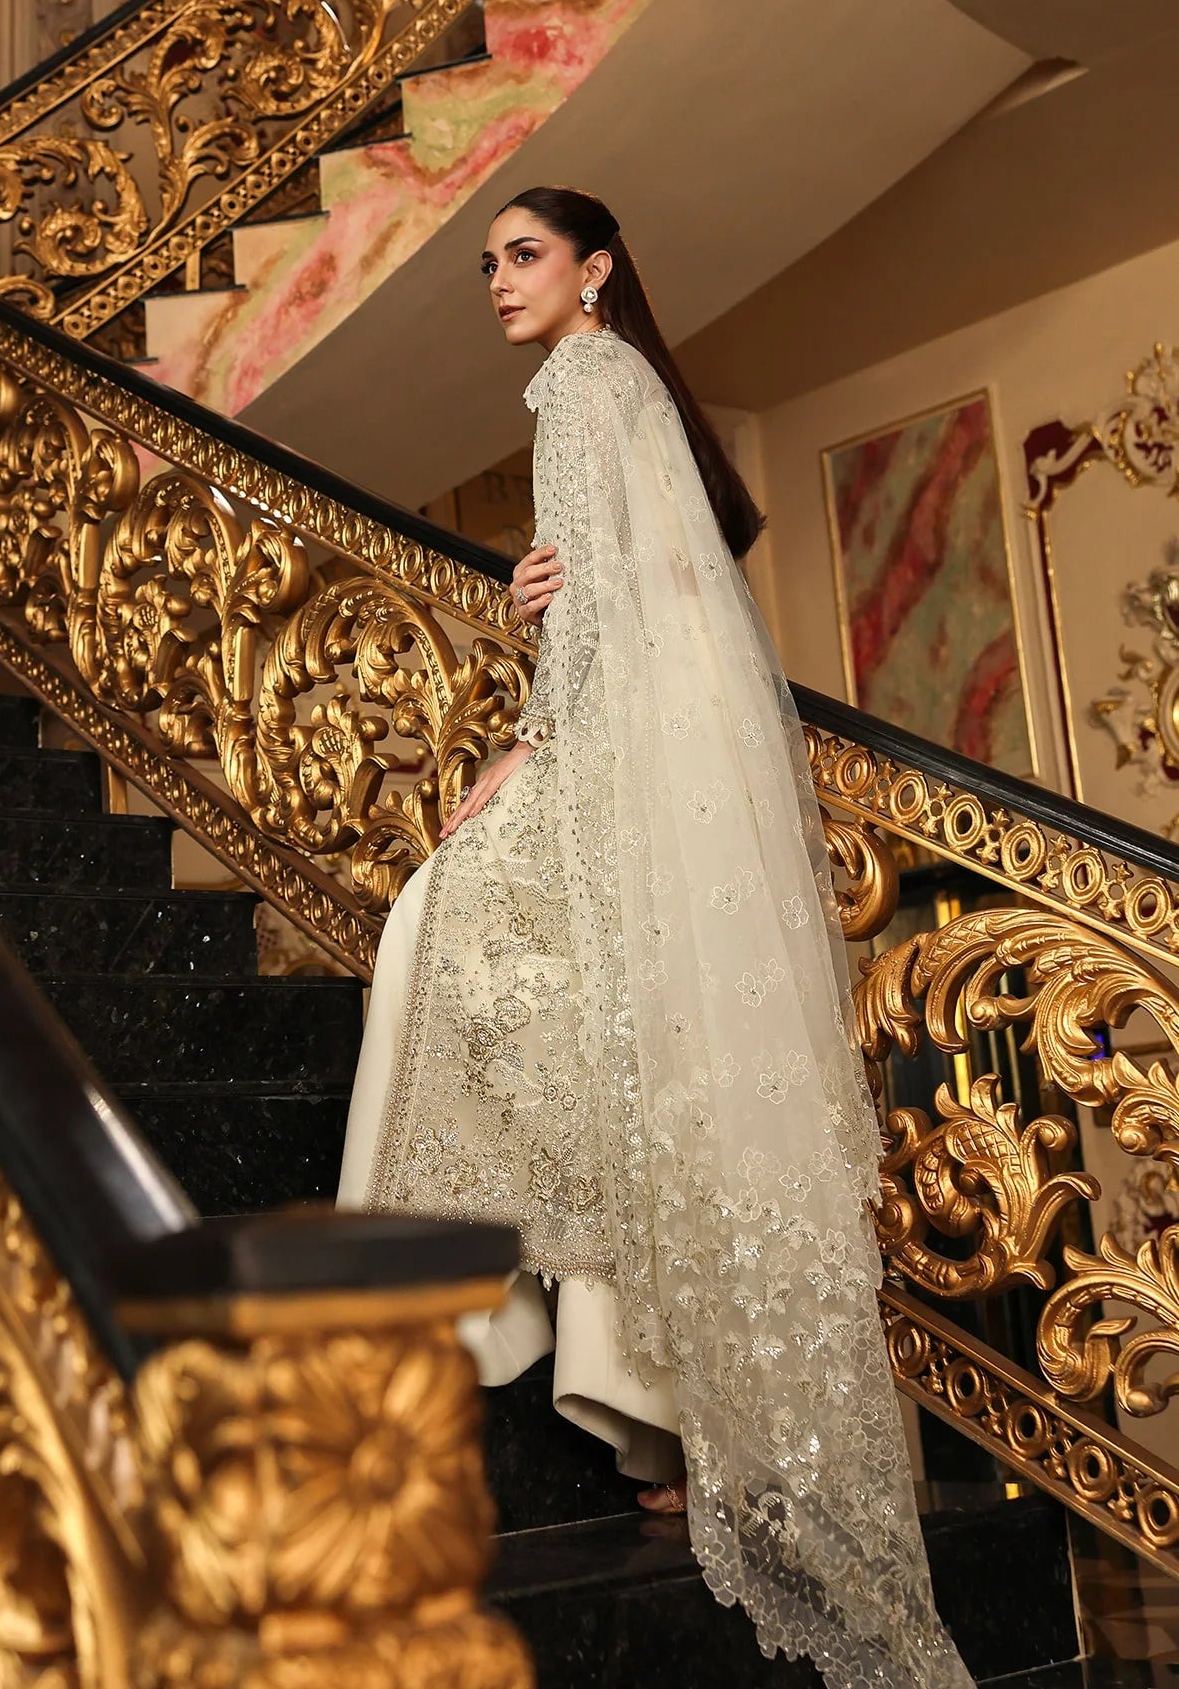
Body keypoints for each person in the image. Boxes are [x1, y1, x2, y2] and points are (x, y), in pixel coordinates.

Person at [338, 187, 970, 1688]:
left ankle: (419, 1341)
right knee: (614, 1053)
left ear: (593, 272)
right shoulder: (619, 390)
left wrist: (528, 751)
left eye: (524, 256)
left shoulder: (577, 382)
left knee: (452, 937)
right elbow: (627, 597)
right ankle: (626, 1394)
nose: (498, 281)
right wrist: (531, 615)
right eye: (487, 261)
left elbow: (625, 616)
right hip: (639, 762)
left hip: (614, 766)